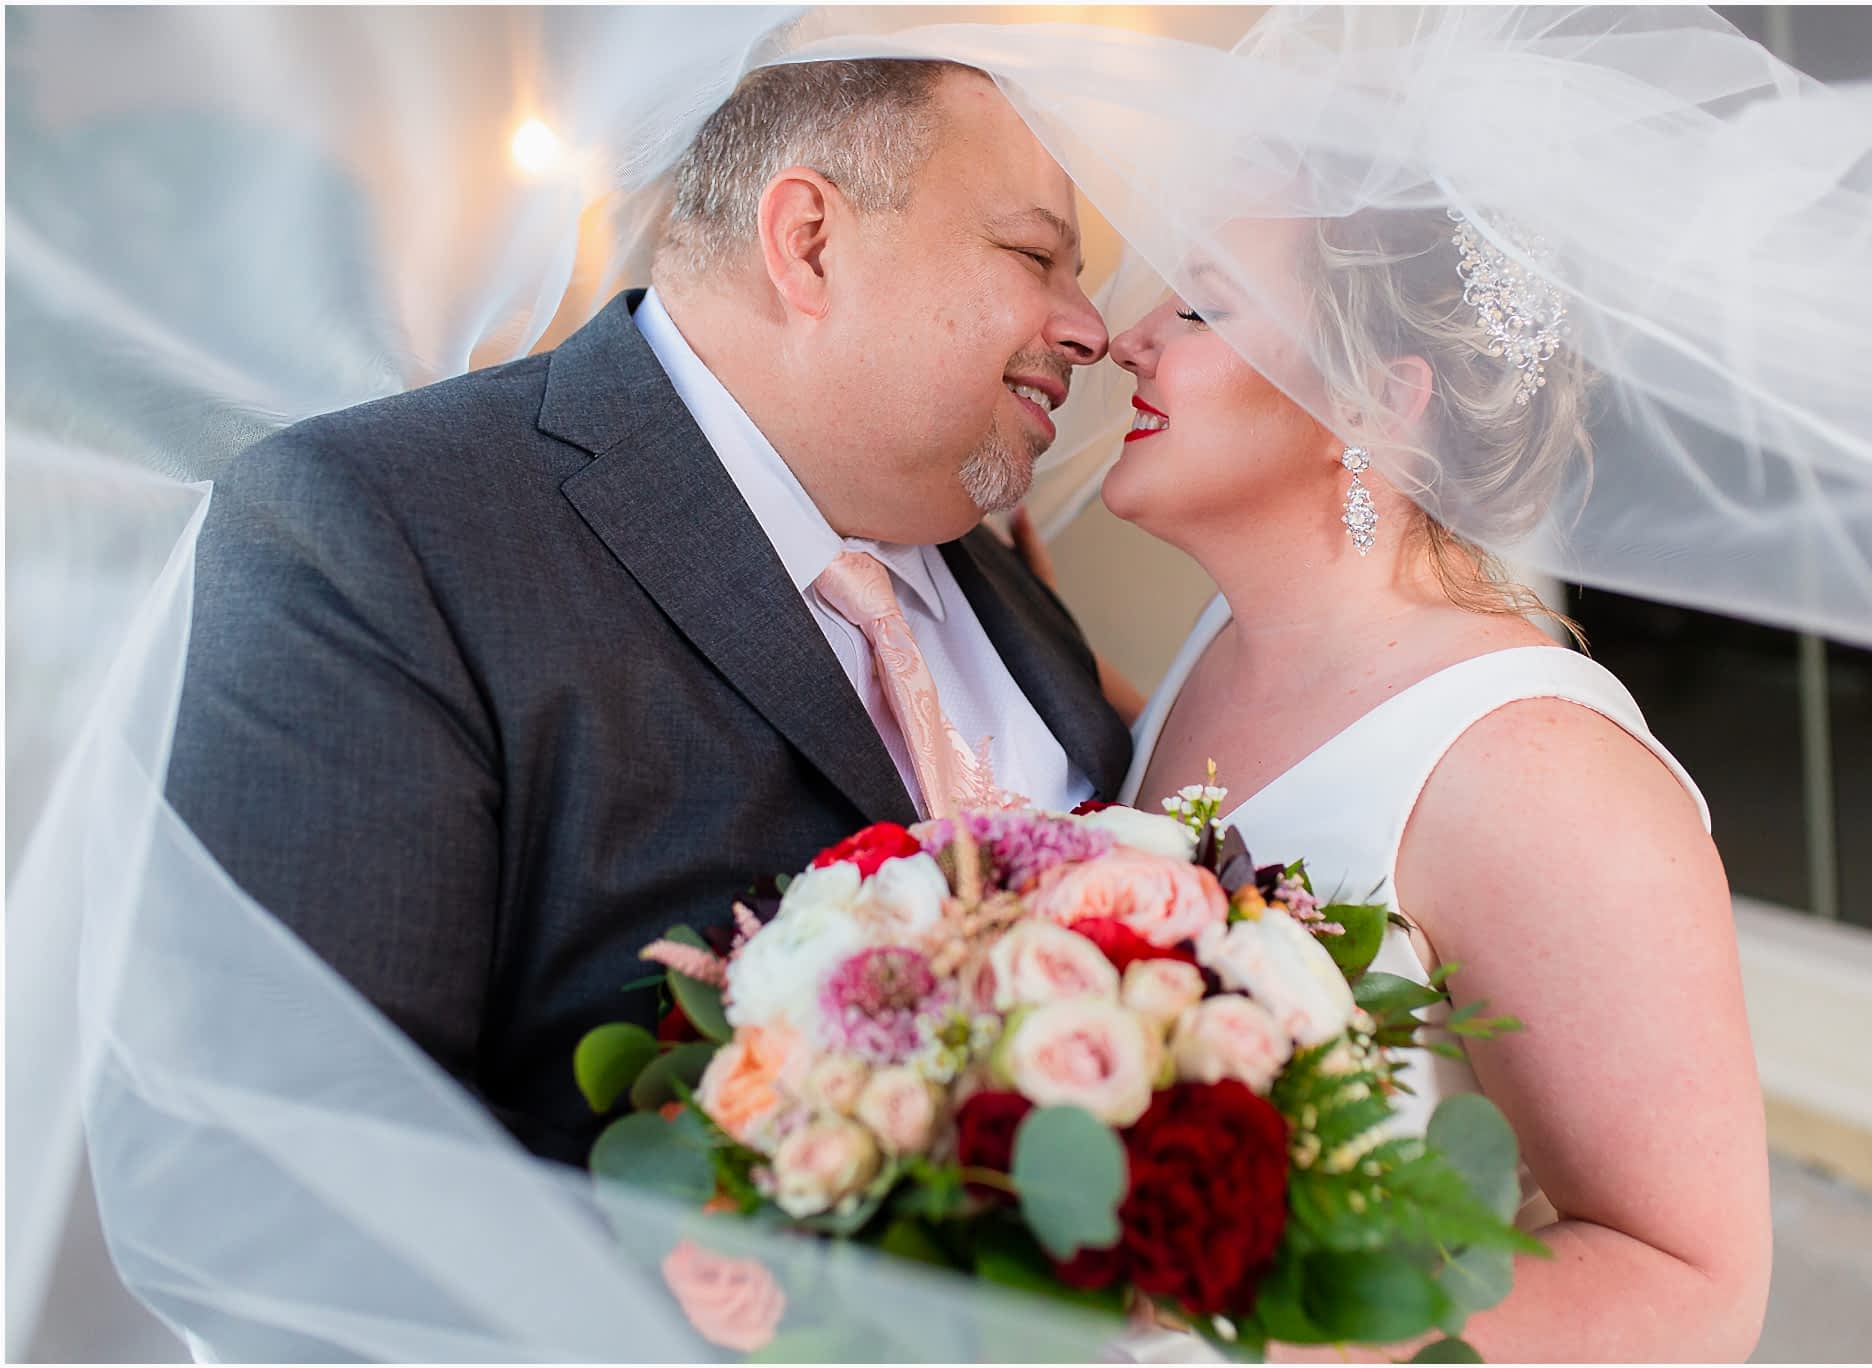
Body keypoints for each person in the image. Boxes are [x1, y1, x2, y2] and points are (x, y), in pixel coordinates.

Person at [162, 57, 1131, 1167]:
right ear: (808, 239)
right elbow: (291, 1152)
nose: (1090, 327)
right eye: (1033, 255)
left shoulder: (1010, 587)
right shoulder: (384, 530)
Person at [1092, 207, 1773, 1361]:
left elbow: (1690, 1284)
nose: (1128, 337)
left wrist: (1278, 1341)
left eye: (1200, 303)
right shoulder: (1227, 640)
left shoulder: (1534, 771)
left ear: (1373, 403)